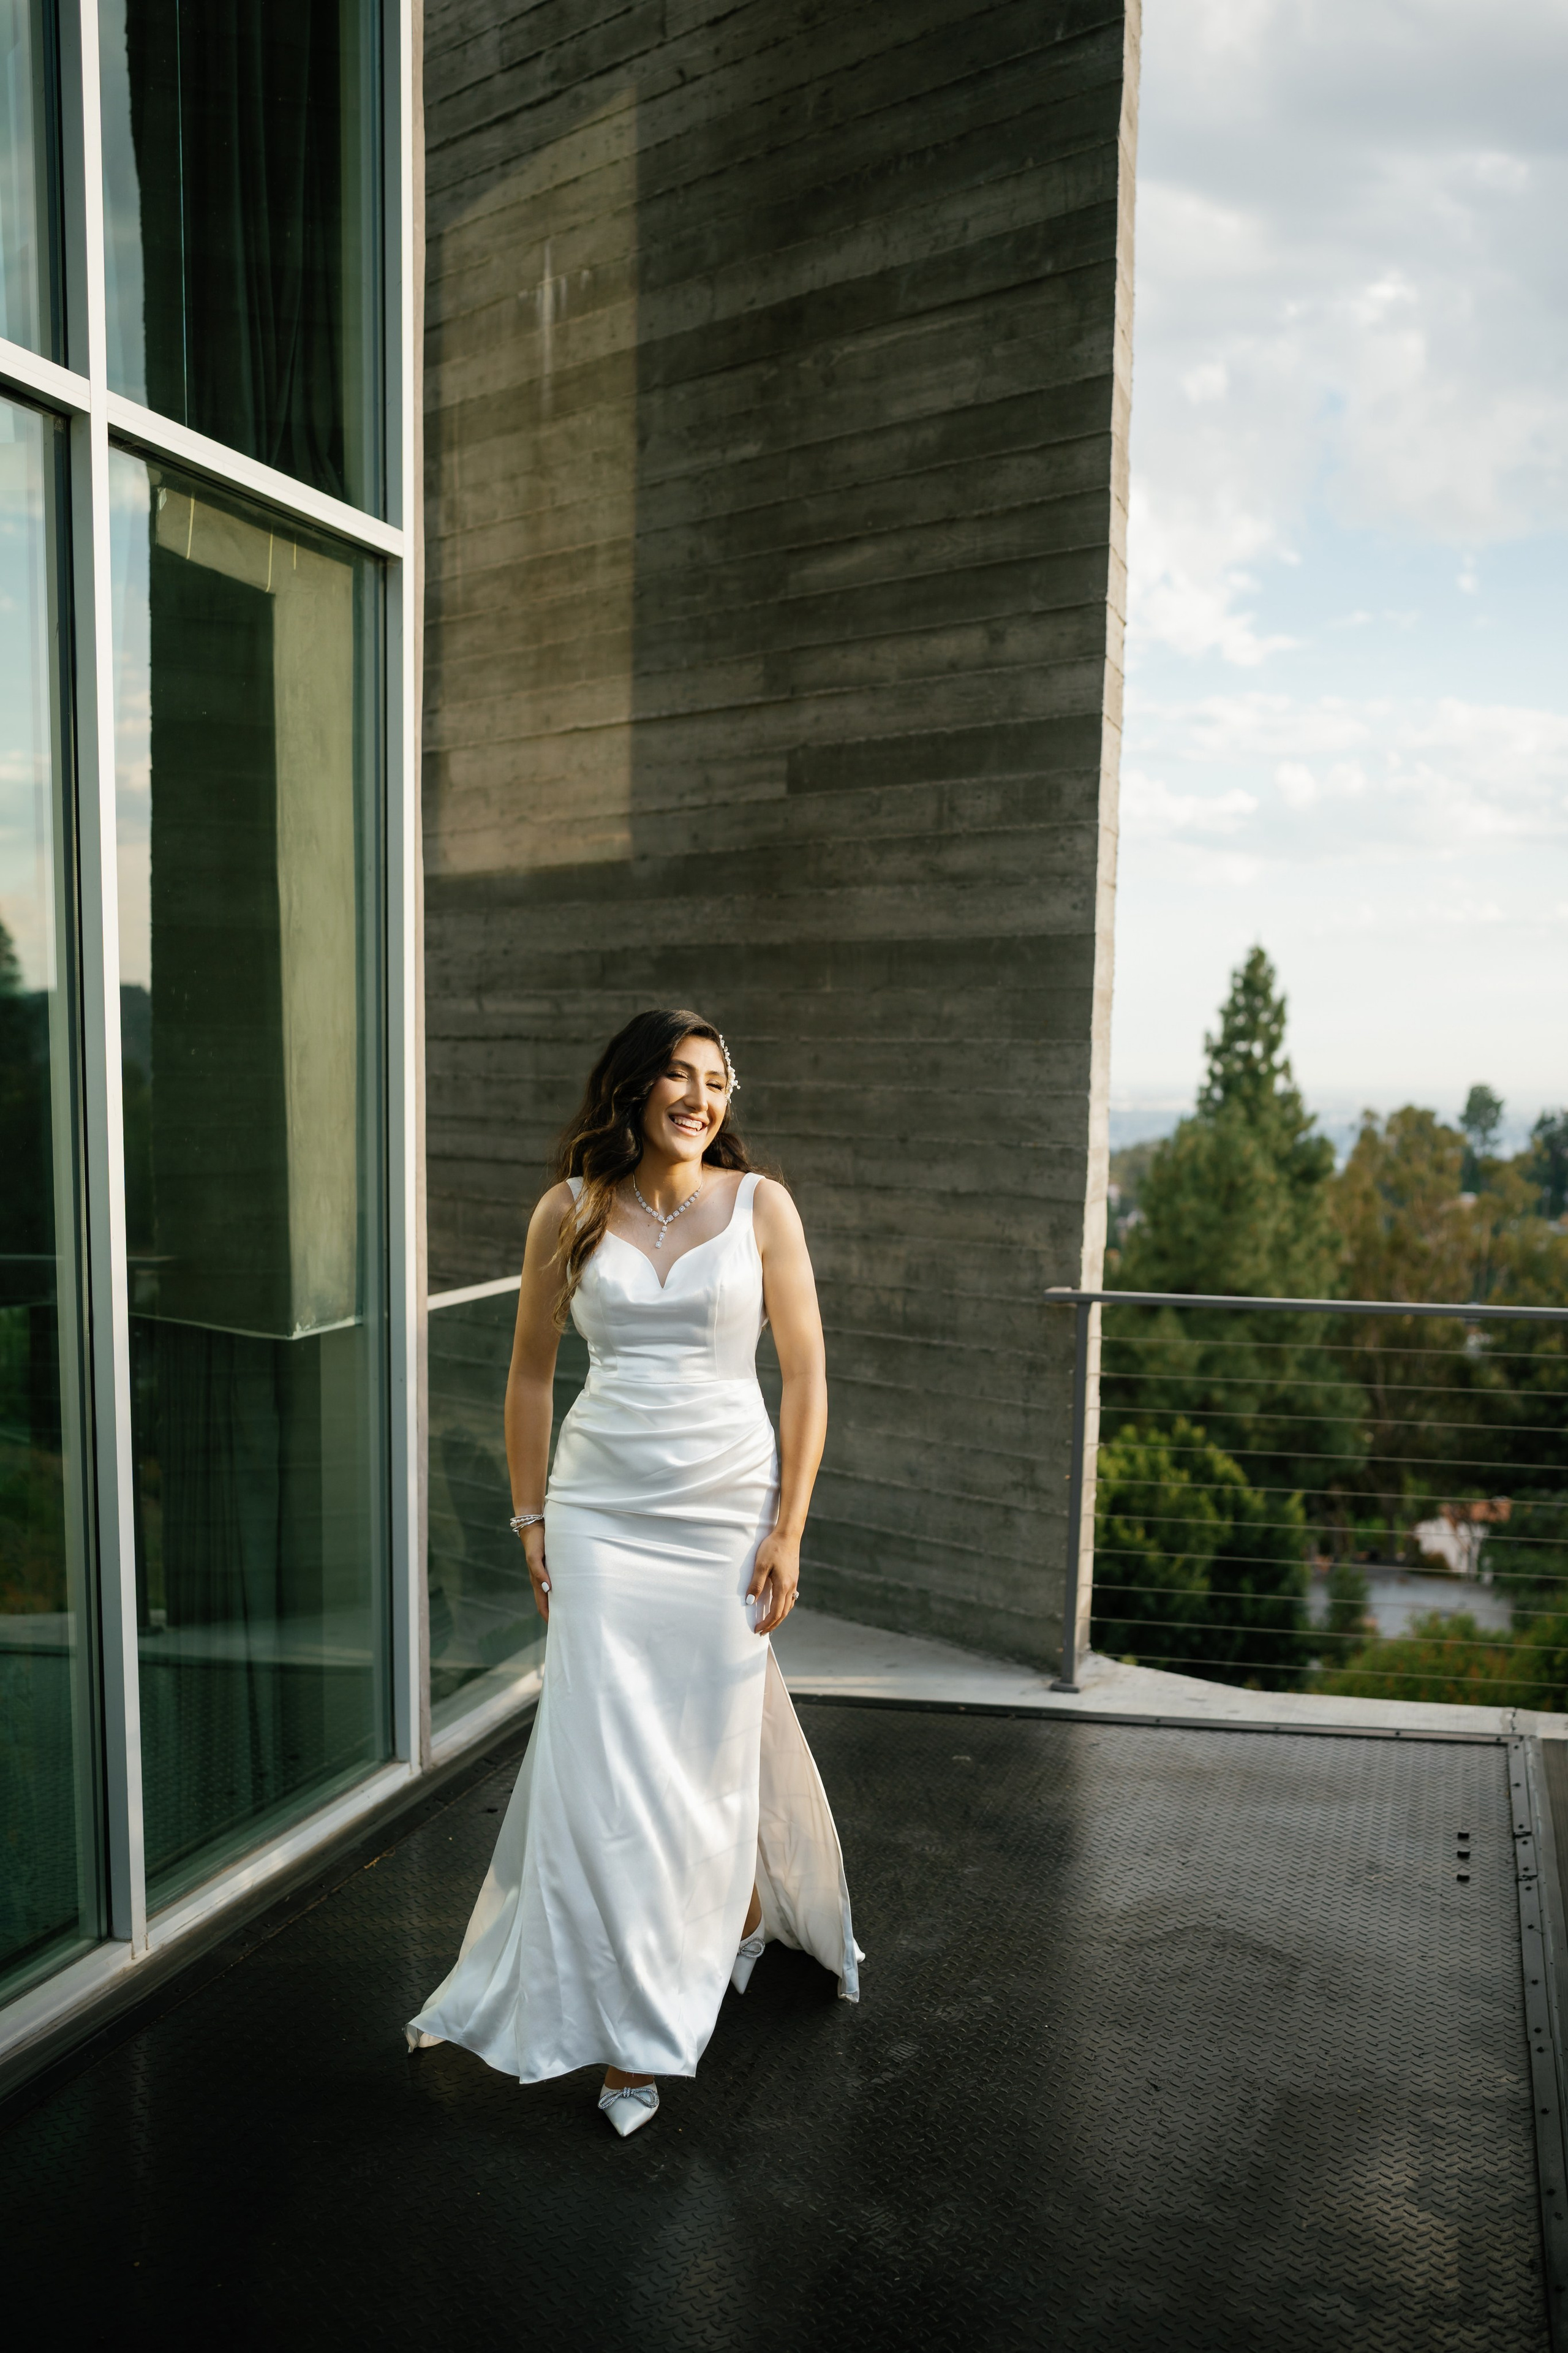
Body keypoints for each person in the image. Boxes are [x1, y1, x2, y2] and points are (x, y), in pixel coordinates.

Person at [407, 1010, 859, 2136]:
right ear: (632, 1089)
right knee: (605, 1763)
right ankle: (628, 2013)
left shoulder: (764, 1209)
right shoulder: (567, 1210)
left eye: (719, 1081)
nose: (703, 1099)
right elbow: (527, 1376)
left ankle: (710, 1949)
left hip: (725, 1511)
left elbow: (806, 1378)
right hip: (602, 1510)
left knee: (704, 1754)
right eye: (680, 1076)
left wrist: (789, 1528)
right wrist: (530, 1517)